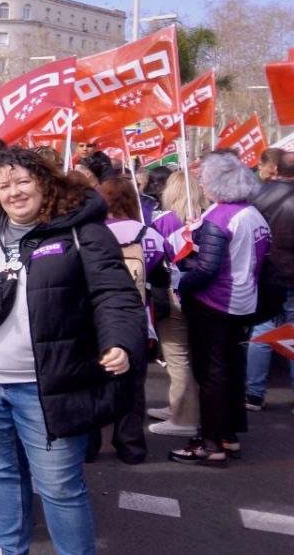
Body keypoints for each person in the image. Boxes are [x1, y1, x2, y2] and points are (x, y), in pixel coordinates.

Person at [0, 147, 146, 555]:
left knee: (60, 487)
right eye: (4, 185)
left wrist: (120, 341)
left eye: (23, 181)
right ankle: (11, 549)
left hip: (49, 387)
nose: (14, 192)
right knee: (3, 474)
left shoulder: (83, 230)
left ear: (45, 182)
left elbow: (115, 295)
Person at [169, 151, 270, 465]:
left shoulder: (220, 217)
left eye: (203, 179)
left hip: (215, 303)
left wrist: (179, 280)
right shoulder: (252, 213)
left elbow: (206, 270)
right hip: (242, 301)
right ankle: (228, 435)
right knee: (229, 370)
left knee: (210, 373)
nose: (200, 183)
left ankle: (210, 442)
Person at [91, 176, 166, 464]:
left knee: (96, 383)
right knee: (133, 386)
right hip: (137, 316)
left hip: (99, 316)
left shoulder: (93, 233)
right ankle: (131, 446)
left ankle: (89, 445)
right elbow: (161, 278)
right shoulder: (150, 233)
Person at [146, 171, 207, 438]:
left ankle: (184, 417)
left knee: (177, 356)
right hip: (201, 294)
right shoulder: (205, 219)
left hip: (173, 293)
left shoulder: (165, 222)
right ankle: (179, 407)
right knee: (190, 354)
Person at [245, 150, 294, 411]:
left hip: (265, 273)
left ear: (275, 169)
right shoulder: (259, 194)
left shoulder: (257, 196)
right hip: (288, 276)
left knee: (262, 331)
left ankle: (254, 394)